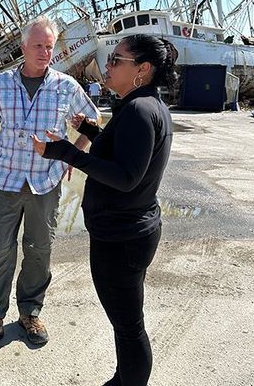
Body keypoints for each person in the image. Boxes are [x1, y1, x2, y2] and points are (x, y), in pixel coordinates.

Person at [34, 34, 177, 386]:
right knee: (125, 321)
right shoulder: (140, 105)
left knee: (129, 327)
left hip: (122, 238)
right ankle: (123, 378)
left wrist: (65, 151)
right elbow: (122, 154)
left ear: (142, 70)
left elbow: (126, 177)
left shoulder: (140, 110)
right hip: (125, 232)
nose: (107, 65)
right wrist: (89, 130)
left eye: (116, 60)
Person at [0, 16, 100, 358]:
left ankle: (30, 313)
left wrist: (71, 155)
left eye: (49, 46)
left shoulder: (66, 86)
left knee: (40, 251)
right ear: (24, 47)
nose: (44, 51)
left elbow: (95, 121)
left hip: (46, 183)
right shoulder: (2, 84)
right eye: (37, 45)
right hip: (7, 181)